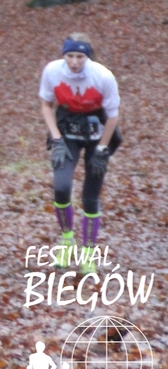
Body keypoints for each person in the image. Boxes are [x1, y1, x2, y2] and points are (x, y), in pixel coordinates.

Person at [39, 33, 121, 274]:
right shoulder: (52, 71)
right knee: (61, 188)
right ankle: (67, 240)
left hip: (98, 132)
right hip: (67, 130)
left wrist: (103, 149)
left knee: (90, 197)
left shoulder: (103, 76)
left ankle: (88, 253)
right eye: (70, 56)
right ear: (63, 55)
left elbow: (113, 116)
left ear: (88, 56)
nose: (74, 62)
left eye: (80, 57)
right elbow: (46, 105)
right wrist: (56, 139)